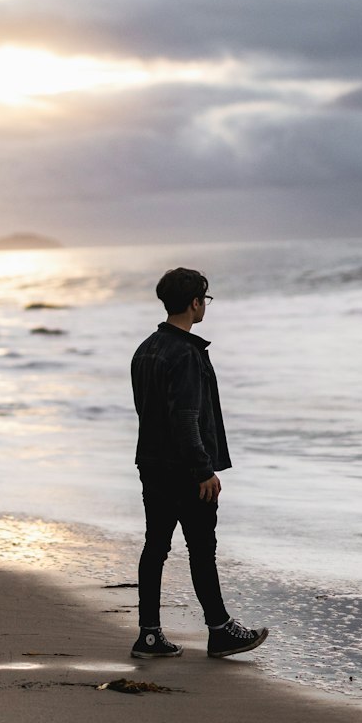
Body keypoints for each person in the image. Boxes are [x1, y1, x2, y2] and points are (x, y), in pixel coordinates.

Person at [129, 266, 269, 660]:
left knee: (155, 547)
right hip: (185, 470)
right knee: (201, 549)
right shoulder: (186, 354)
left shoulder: (145, 349)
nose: (204, 306)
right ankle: (220, 630)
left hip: (152, 464)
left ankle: (149, 635)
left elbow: (150, 412)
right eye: (203, 299)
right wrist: (203, 469)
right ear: (194, 303)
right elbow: (186, 417)